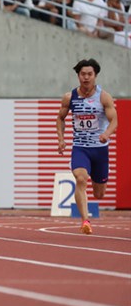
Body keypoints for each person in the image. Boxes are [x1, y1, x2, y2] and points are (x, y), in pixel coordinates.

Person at [55, 59, 118, 235]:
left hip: (100, 149)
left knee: (99, 194)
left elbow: (114, 120)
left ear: (95, 76)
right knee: (80, 179)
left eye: (89, 74)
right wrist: (61, 139)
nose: (86, 77)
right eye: (83, 74)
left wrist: (107, 134)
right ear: (78, 75)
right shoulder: (70, 97)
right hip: (80, 148)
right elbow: (60, 118)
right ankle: (85, 221)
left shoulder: (103, 97)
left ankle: (99, 180)